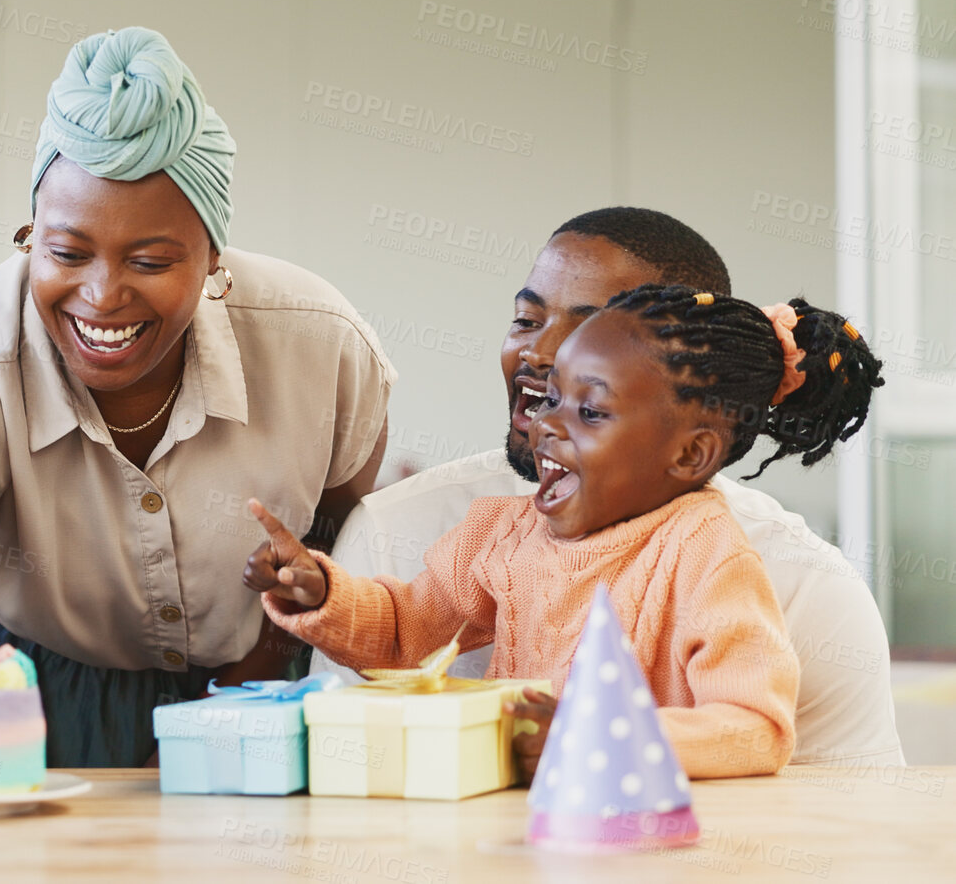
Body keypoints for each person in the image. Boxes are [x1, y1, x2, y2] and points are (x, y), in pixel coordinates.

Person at [0, 27, 396, 767]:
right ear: (29, 235)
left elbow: (333, 542)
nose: (102, 296)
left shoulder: (320, 347)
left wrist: (253, 676)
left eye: (149, 259)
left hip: (264, 695)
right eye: (66, 253)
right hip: (45, 707)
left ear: (214, 254)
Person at [311, 208, 906, 767]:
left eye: (591, 407)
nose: (541, 364)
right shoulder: (486, 531)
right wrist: (325, 598)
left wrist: (600, 736)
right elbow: (405, 627)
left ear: (691, 448)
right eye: (526, 319)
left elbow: (756, 731)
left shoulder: (727, 564)